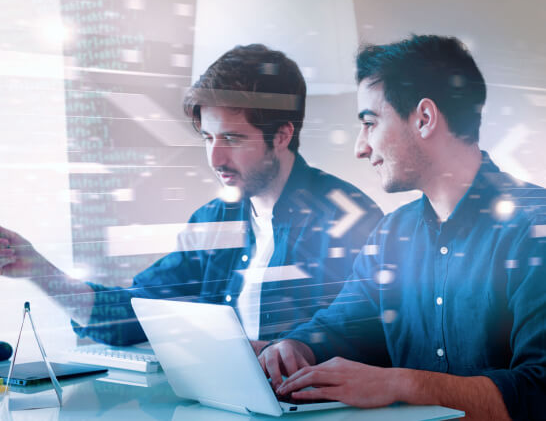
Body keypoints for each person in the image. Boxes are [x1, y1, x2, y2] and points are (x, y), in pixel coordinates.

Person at [0, 44, 382, 348]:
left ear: (281, 135)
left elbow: (369, 338)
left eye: (232, 138)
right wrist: (38, 270)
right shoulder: (214, 221)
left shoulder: (347, 218)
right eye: (208, 138)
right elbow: (132, 315)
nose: (215, 158)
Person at [259, 35, 546, 421]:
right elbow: (345, 324)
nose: (361, 147)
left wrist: (400, 385)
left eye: (370, 123)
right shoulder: (394, 233)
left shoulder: (534, 228)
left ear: (424, 118)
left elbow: (539, 392)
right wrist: (296, 346)